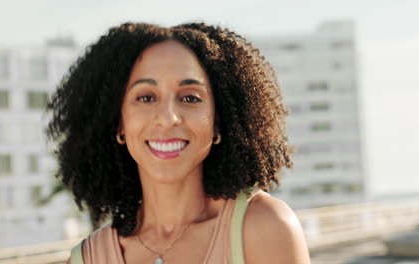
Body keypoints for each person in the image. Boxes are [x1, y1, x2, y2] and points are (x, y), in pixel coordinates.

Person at [46, 22, 310, 264]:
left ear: (217, 122)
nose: (168, 118)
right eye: (146, 98)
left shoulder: (265, 227)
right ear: (119, 123)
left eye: (190, 98)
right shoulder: (89, 259)